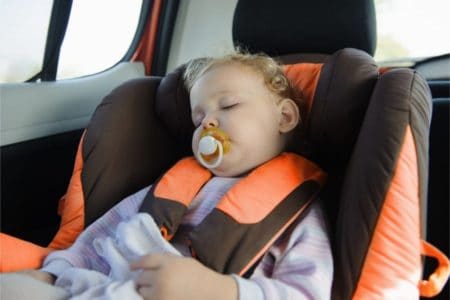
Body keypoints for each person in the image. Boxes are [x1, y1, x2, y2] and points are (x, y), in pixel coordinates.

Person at [1, 52, 333, 300]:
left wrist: (219, 291)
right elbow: (98, 241)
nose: (207, 123)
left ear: (285, 117)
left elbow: (306, 292)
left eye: (228, 106)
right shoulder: (175, 185)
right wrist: (52, 274)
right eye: (198, 117)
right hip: (109, 287)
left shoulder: (298, 210)